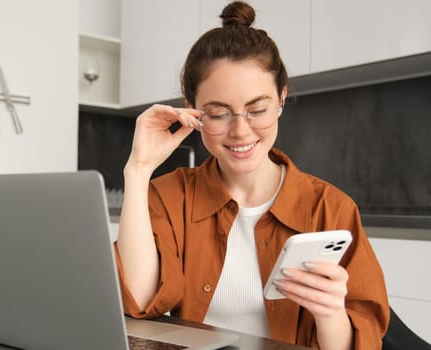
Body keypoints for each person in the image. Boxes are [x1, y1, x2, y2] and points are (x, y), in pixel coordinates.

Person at [114, 1, 390, 349]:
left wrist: (331, 311)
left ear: (281, 99)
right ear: (192, 111)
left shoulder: (330, 209)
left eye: (257, 109)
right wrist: (138, 170)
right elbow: (136, 303)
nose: (241, 131)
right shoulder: (170, 196)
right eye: (218, 114)